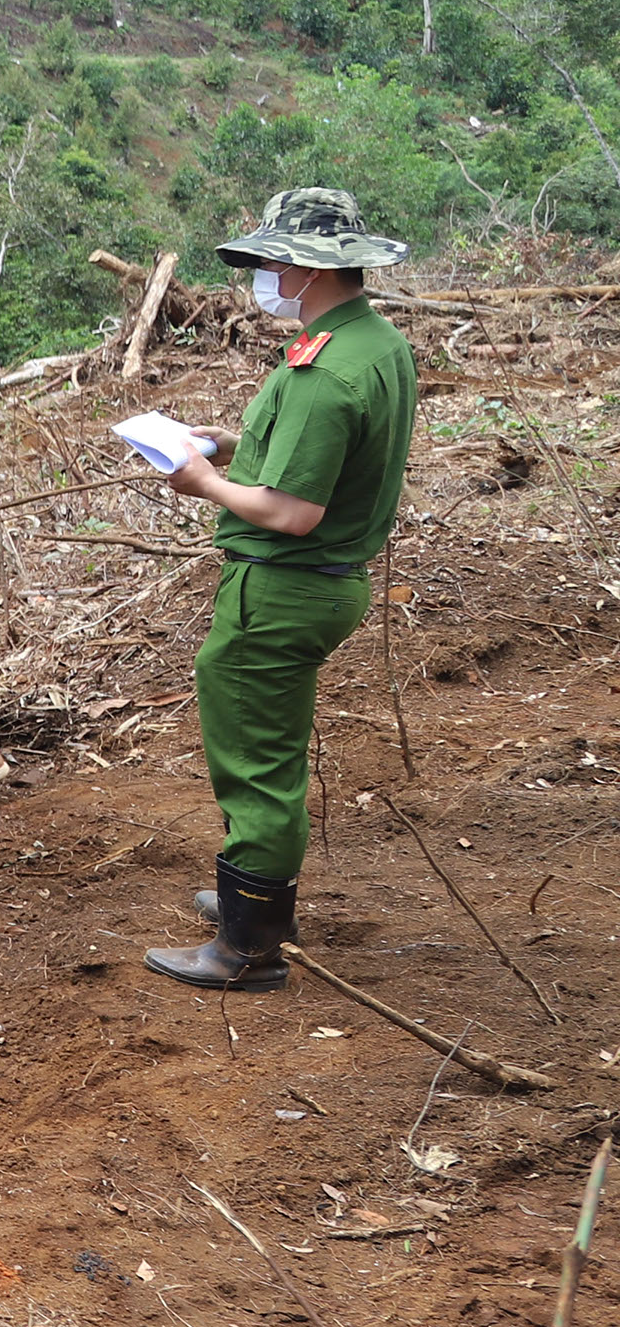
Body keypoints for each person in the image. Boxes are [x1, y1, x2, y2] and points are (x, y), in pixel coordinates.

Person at [141, 188, 416, 993]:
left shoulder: (325, 372)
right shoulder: (371, 343)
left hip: (288, 585)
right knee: (274, 744)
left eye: (269, 261)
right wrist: (226, 442)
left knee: (255, 758)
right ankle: (261, 901)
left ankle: (248, 947)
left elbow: (293, 509)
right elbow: (315, 452)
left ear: (303, 269)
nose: (262, 274)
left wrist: (202, 480)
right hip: (325, 581)